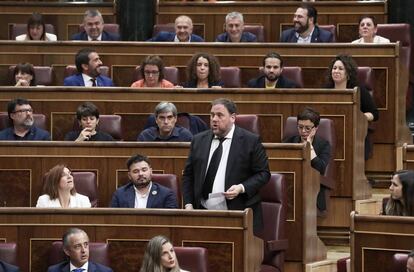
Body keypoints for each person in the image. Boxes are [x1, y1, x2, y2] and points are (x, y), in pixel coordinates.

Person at [182, 98, 270, 233]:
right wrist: (188, 204)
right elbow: (188, 175)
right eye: (212, 115)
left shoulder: (250, 141)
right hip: (202, 213)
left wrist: (241, 188)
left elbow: (263, 174)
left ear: (233, 117)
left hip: (237, 213)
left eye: (220, 115)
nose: (214, 119)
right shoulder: (199, 140)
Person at [325, 54, 378, 158]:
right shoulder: (326, 90)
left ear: (348, 73)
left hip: (354, 134)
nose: (336, 71)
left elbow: (375, 114)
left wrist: (360, 117)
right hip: (331, 133)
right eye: (334, 68)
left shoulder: (358, 90)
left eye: (340, 69)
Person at [283, 107, 331, 211]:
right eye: (300, 127)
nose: (303, 131)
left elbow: (320, 168)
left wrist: (309, 146)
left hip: (312, 187)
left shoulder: (323, 145)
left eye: (307, 128)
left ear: (316, 128)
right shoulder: (288, 141)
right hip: (290, 186)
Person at [111, 154, 178, 208]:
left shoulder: (166, 194)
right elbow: (113, 219)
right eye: (136, 171)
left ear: (151, 171)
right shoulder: (120, 194)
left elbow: (172, 221)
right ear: (129, 175)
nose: (140, 174)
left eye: (144, 170)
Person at [47, 228, 113, 272]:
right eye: (78, 246)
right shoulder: (53, 270)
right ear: (67, 251)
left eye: (86, 244)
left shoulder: (105, 271)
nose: (84, 250)